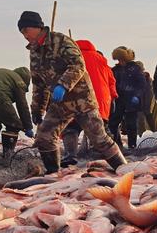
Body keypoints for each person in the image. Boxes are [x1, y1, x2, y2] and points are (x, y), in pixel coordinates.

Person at [18, 11, 126, 173]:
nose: (24, 35)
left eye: (26, 30)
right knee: (44, 137)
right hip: (60, 104)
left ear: (37, 27)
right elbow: (38, 84)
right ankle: (53, 175)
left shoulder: (60, 40)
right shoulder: (34, 52)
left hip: (82, 99)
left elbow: (78, 64)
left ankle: (124, 169)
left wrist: (63, 85)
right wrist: (37, 110)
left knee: (99, 139)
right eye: (22, 32)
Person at [60, 39, 117, 167]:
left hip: (77, 99)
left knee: (71, 128)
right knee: (100, 129)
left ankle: (70, 155)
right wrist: (113, 97)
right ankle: (113, 157)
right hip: (100, 100)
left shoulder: (71, 58)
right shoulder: (101, 59)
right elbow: (111, 81)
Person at [109, 46, 146, 150]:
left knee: (131, 124)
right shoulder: (115, 70)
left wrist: (137, 96)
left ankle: (132, 146)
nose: (120, 62)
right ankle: (116, 145)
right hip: (119, 100)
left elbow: (142, 84)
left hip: (131, 101)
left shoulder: (135, 69)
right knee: (114, 123)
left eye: (121, 59)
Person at [137, 63, 157, 135]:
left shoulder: (147, 80)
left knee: (154, 127)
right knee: (144, 128)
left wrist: (148, 109)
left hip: (149, 107)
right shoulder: (138, 80)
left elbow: (150, 95)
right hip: (143, 108)